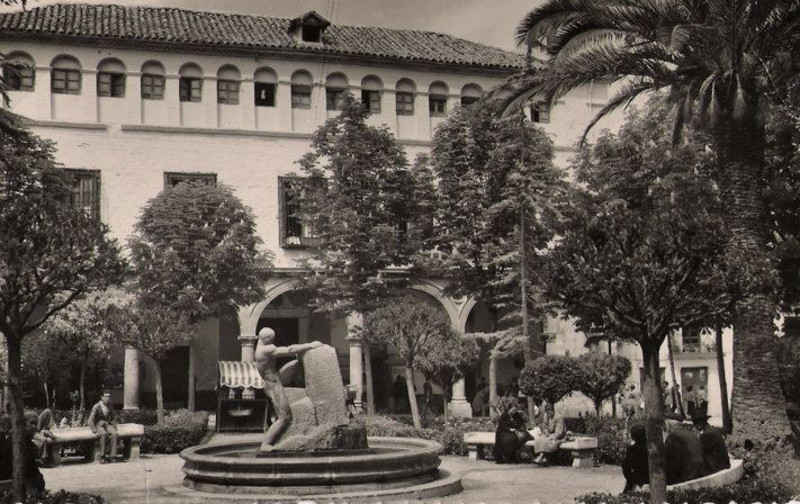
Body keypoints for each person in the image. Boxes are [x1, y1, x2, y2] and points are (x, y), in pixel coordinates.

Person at [254, 327, 323, 452]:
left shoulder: (259, 347)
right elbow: (289, 349)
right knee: (284, 417)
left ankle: (280, 438)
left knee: (295, 365)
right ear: (268, 339)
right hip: (273, 385)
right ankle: (266, 444)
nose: (273, 342)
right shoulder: (267, 349)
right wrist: (310, 345)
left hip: (272, 382)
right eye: (272, 339)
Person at [663, 418, 707, 485]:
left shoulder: (672, 437)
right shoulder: (692, 434)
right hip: (701, 473)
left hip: (686, 477)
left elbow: (670, 462)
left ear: (669, 427)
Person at [492, 399, 531, 464]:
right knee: (509, 439)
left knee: (519, 437)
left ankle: (514, 456)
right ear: (508, 409)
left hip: (515, 432)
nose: (514, 412)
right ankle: (509, 457)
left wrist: (520, 428)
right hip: (503, 432)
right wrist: (510, 429)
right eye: (512, 410)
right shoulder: (504, 416)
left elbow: (521, 423)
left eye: (515, 410)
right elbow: (502, 427)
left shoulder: (516, 415)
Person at [88, 391, 118, 463]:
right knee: (103, 434)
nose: (107, 398)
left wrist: (114, 427)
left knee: (114, 434)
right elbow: (90, 420)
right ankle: (102, 457)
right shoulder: (96, 406)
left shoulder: (110, 405)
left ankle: (112, 456)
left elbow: (113, 418)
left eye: (109, 396)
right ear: (101, 397)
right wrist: (94, 430)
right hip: (98, 425)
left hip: (107, 424)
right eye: (105, 396)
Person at [621, 422, 649, 493]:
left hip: (637, 479)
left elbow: (625, 467)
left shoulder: (632, 449)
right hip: (650, 479)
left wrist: (631, 480)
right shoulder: (651, 448)